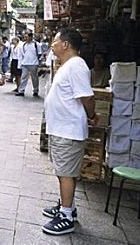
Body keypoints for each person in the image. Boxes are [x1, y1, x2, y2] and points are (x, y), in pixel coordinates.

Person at [42, 28, 96, 235]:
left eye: (55, 41)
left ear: (66, 44)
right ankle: (67, 206)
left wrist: (91, 115)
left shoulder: (76, 66)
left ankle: (66, 216)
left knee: (66, 173)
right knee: (64, 171)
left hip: (69, 131)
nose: (52, 45)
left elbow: (87, 97)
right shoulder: (68, 65)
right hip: (61, 129)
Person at [16, 32, 41, 97]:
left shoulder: (37, 44)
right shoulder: (24, 45)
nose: (25, 38)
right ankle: (21, 91)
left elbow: (39, 54)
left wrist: (36, 61)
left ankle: (35, 91)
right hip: (25, 63)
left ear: (31, 37)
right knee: (23, 77)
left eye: (26, 37)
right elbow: (23, 54)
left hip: (33, 63)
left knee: (34, 78)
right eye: (24, 37)